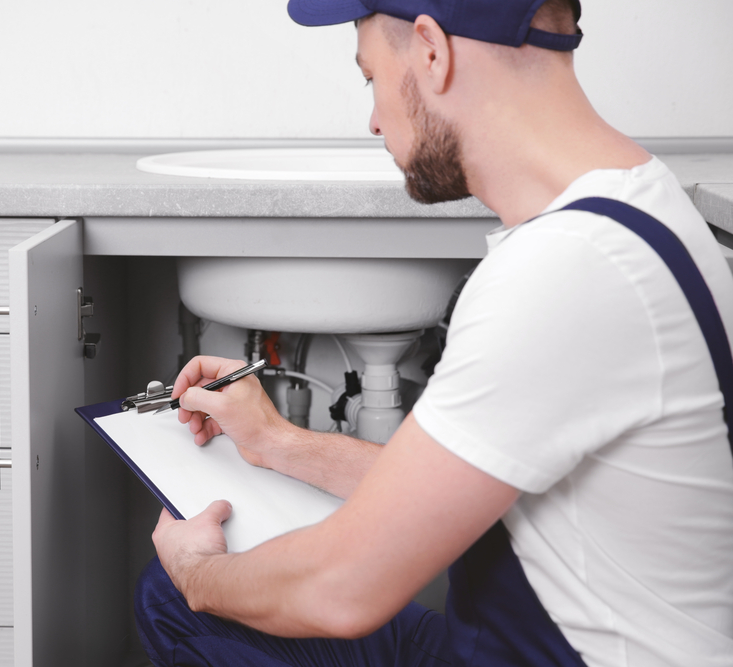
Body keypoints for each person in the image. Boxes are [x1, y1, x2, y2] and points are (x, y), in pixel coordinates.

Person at [134, 1, 733, 665]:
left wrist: (198, 574)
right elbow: (451, 474)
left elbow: (338, 591)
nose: (372, 119)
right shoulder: (635, 204)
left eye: (371, 77)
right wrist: (277, 442)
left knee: (180, 595)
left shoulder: (564, 272)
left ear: (431, 51)